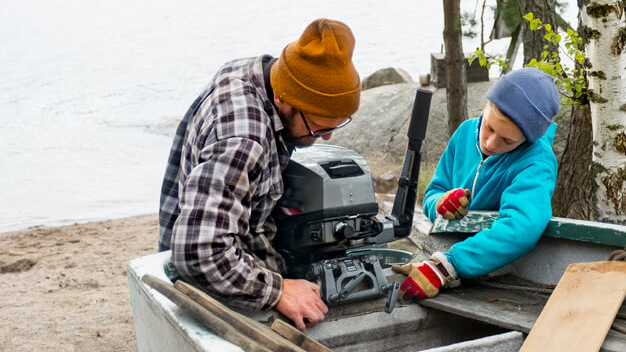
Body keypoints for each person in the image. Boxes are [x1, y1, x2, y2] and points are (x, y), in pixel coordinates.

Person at [158, 18, 361, 330]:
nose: (328, 136)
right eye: (319, 127)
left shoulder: (261, 73)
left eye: (336, 125)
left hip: (245, 256)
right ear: (282, 99)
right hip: (214, 286)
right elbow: (199, 251)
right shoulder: (244, 139)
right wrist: (278, 291)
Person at [394, 67, 560, 300]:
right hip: (447, 256)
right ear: (486, 106)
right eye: (489, 128)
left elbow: (521, 228)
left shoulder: (536, 163)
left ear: (528, 138)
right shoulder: (465, 133)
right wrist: (439, 204)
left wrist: (448, 266)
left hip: (496, 270)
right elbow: (433, 193)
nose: (491, 143)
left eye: (507, 140)